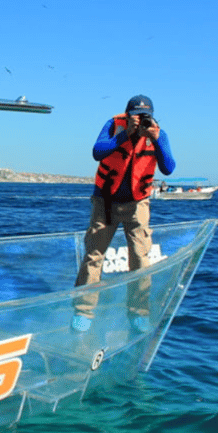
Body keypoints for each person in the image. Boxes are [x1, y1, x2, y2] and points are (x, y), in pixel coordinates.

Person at [71, 95, 176, 332]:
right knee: (94, 255)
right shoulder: (114, 126)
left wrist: (156, 140)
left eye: (143, 116)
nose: (138, 120)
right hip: (105, 201)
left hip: (138, 203)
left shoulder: (158, 133)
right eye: (134, 116)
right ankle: (83, 311)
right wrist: (124, 135)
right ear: (127, 114)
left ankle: (138, 312)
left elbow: (168, 168)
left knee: (140, 257)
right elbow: (97, 152)